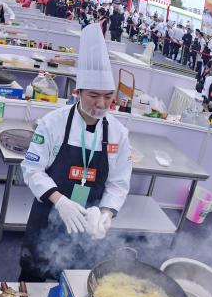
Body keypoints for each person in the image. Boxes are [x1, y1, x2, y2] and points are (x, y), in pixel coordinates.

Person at [18, 23, 133, 282]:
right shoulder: (52, 124)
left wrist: (106, 213)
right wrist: (61, 201)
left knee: (75, 282)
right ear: (77, 92)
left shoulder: (118, 133)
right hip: (47, 214)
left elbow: (118, 183)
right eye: (94, 96)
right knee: (31, 277)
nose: (101, 104)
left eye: (108, 96)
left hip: (87, 224)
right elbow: (32, 169)